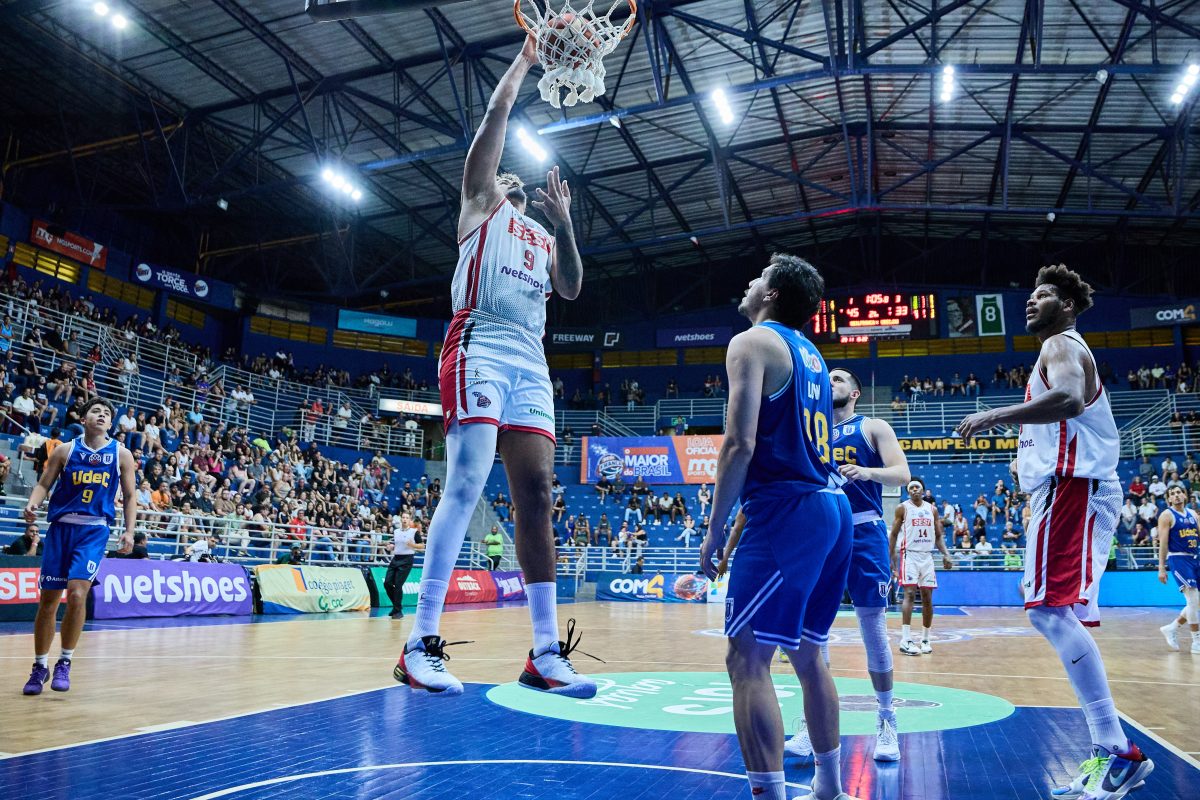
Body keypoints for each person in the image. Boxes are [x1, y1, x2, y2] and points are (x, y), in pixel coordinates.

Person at [394, 33, 591, 700]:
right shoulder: (480, 204)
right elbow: (493, 123)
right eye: (505, 173)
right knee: (469, 481)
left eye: (516, 179)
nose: (513, 177)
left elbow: (570, 289)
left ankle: (542, 653)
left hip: (530, 360)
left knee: (536, 496)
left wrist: (564, 223)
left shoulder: (537, 233)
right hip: (477, 342)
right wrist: (527, 60)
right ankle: (418, 642)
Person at [957, 264, 1153, 799]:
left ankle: (1117, 751)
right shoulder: (1057, 349)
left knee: (1048, 612)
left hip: (1074, 487)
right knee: (1056, 613)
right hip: (1066, 491)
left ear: (1066, 306)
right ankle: (1108, 750)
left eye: (1043, 294)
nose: (1031, 301)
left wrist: (998, 414)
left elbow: (1067, 401)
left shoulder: (1062, 345)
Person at [698, 254, 854, 800]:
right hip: (832, 509)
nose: (749, 280)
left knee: (745, 657)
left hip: (790, 511)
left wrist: (715, 529)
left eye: (759, 276)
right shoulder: (810, 352)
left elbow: (739, 444)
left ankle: (770, 793)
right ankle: (830, 787)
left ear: (772, 295)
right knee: (810, 654)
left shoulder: (752, 342)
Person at [785, 367, 910, 764]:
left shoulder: (872, 426)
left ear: (855, 391)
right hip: (820, 531)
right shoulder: (812, 432)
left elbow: (902, 474)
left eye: (839, 378)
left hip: (863, 530)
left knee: (872, 627)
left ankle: (887, 720)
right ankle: (812, 723)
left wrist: (868, 471)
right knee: (811, 633)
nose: (831, 383)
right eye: (828, 379)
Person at [21, 397, 136, 696]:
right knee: (48, 600)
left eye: (106, 413)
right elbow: (44, 484)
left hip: (93, 529)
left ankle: (65, 662)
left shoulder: (121, 454)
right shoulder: (65, 450)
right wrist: (33, 503)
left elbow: (130, 495)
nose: (101, 415)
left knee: (76, 594)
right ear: (84, 419)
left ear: (111, 423)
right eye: (95, 411)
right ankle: (39, 666)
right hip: (61, 528)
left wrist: (129, 531)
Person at [889, 478, 953, 656]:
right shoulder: (902, 508)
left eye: (917, 487)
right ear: (908, 491)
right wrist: (891, 556)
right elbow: (893, 534)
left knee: (927, 597)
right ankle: (906, 638)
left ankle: (925, 638)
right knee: (909, 593)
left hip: (927, 557)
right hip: (909, 555)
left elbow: (938, 536)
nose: (914, 490)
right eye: (911, 488)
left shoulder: (931, 510)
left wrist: (946, 554)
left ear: (924, 491)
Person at [1156, 486, 1199, 653]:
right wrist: (1161, 567)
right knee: (1193, 599)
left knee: (1197, 602)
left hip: (1195, 558)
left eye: (1179, 492)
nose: (1176, 495)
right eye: (1172, 494)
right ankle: (1196, 642)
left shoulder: (1193, 514)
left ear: (1185, 495)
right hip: (1179, 559)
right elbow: (1163, 543)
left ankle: (1172, 628)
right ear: (1169, 499)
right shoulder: (1167, 515)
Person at [385, 514, 425, 619]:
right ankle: (396, 607)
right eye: (403, 517)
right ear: (400, 520)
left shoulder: (414, 532)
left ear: (410, 520)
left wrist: (413, 546)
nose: (405, 519)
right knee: (387, 583)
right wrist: (391, 546)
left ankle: (397, 611)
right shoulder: (396, 532)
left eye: (407, 518)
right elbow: (397, 545)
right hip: (396, 559)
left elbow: (422, 546)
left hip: (407, 560)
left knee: (398, 585)